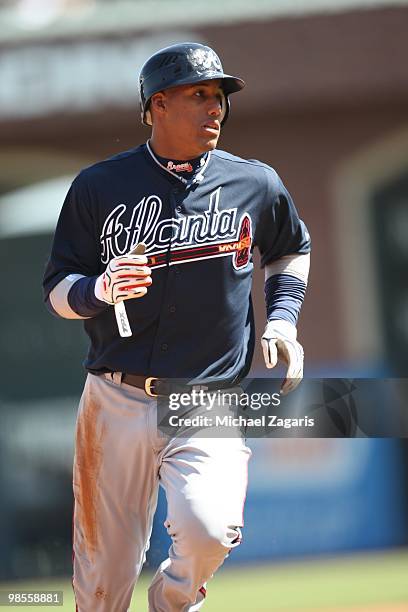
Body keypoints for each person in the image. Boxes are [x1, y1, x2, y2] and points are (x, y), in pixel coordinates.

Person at [43, 42, 311, 612]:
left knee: (211, 530)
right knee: (103, 582)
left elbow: (291, 251)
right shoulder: (99, 186)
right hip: (116, 396)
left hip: (208, 398)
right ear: (157, 105)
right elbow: (57, 292)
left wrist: (283, 320)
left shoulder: (255, 183)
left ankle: (172, 602)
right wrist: (98, 290)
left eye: (218, 96)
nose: (215, 107)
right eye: (199, 95)